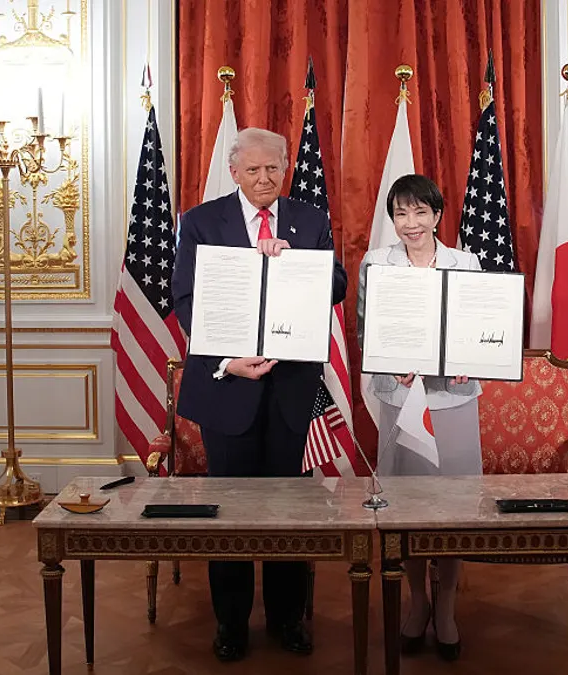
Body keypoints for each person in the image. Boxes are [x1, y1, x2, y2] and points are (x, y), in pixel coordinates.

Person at [171, 127, 347, 662]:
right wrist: (227, 362)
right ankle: (230, 623)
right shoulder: (201, 222)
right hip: (228, 390)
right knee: (230, 513)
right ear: (234, 172)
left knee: (287, 514)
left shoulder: (310, 220)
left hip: (291, 391)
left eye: (273, 168)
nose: (264, 178)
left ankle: (288, 618)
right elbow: (185, 299)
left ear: (286, 167)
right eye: (253, 170)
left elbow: (336, 285)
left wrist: (296, 262)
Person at [356, 173, 483, 662]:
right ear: (393, 218)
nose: (411, 224)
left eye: (420, 213)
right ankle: (416, 604)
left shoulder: (465, 264)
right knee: (405, 504)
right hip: (400, 398)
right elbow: (369, 330)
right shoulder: (375, 263)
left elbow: (474, 330)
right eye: (401, 213)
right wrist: (393, 361)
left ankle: (446, 606)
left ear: (437, 215)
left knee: (451, 506)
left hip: (452, 400)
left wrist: (467, 359)